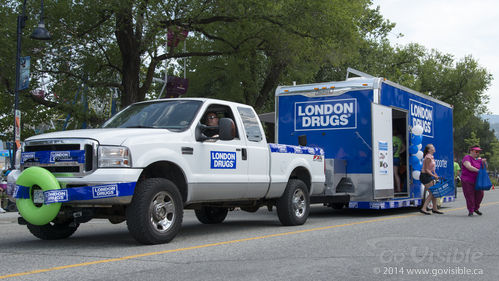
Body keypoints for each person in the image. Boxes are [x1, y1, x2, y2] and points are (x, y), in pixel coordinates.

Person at [461, 146, 486, 216]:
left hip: (477, 180)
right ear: (471, 151)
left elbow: (484, 168)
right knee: (470, 195)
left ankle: (475, 208)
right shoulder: (467, 157)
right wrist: (478, 171)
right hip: (467, 180)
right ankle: (471, 210)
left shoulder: (478, 160)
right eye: (476, 151)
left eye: (478, 152)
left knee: (480, 194)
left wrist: (483, 162)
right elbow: (468, 166)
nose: (477, 153)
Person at [419, 144, 442, 215]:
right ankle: (424, 208)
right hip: (425, 176)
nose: (434, 148)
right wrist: (434, 176)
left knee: (434, 192)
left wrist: (435, 174)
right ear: (429, 150)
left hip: (428, 175)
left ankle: (435, 208)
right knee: (432, 192)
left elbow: (431, 169)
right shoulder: (428, 157)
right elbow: (426, 169)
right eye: (432, 147)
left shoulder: (431, 157)